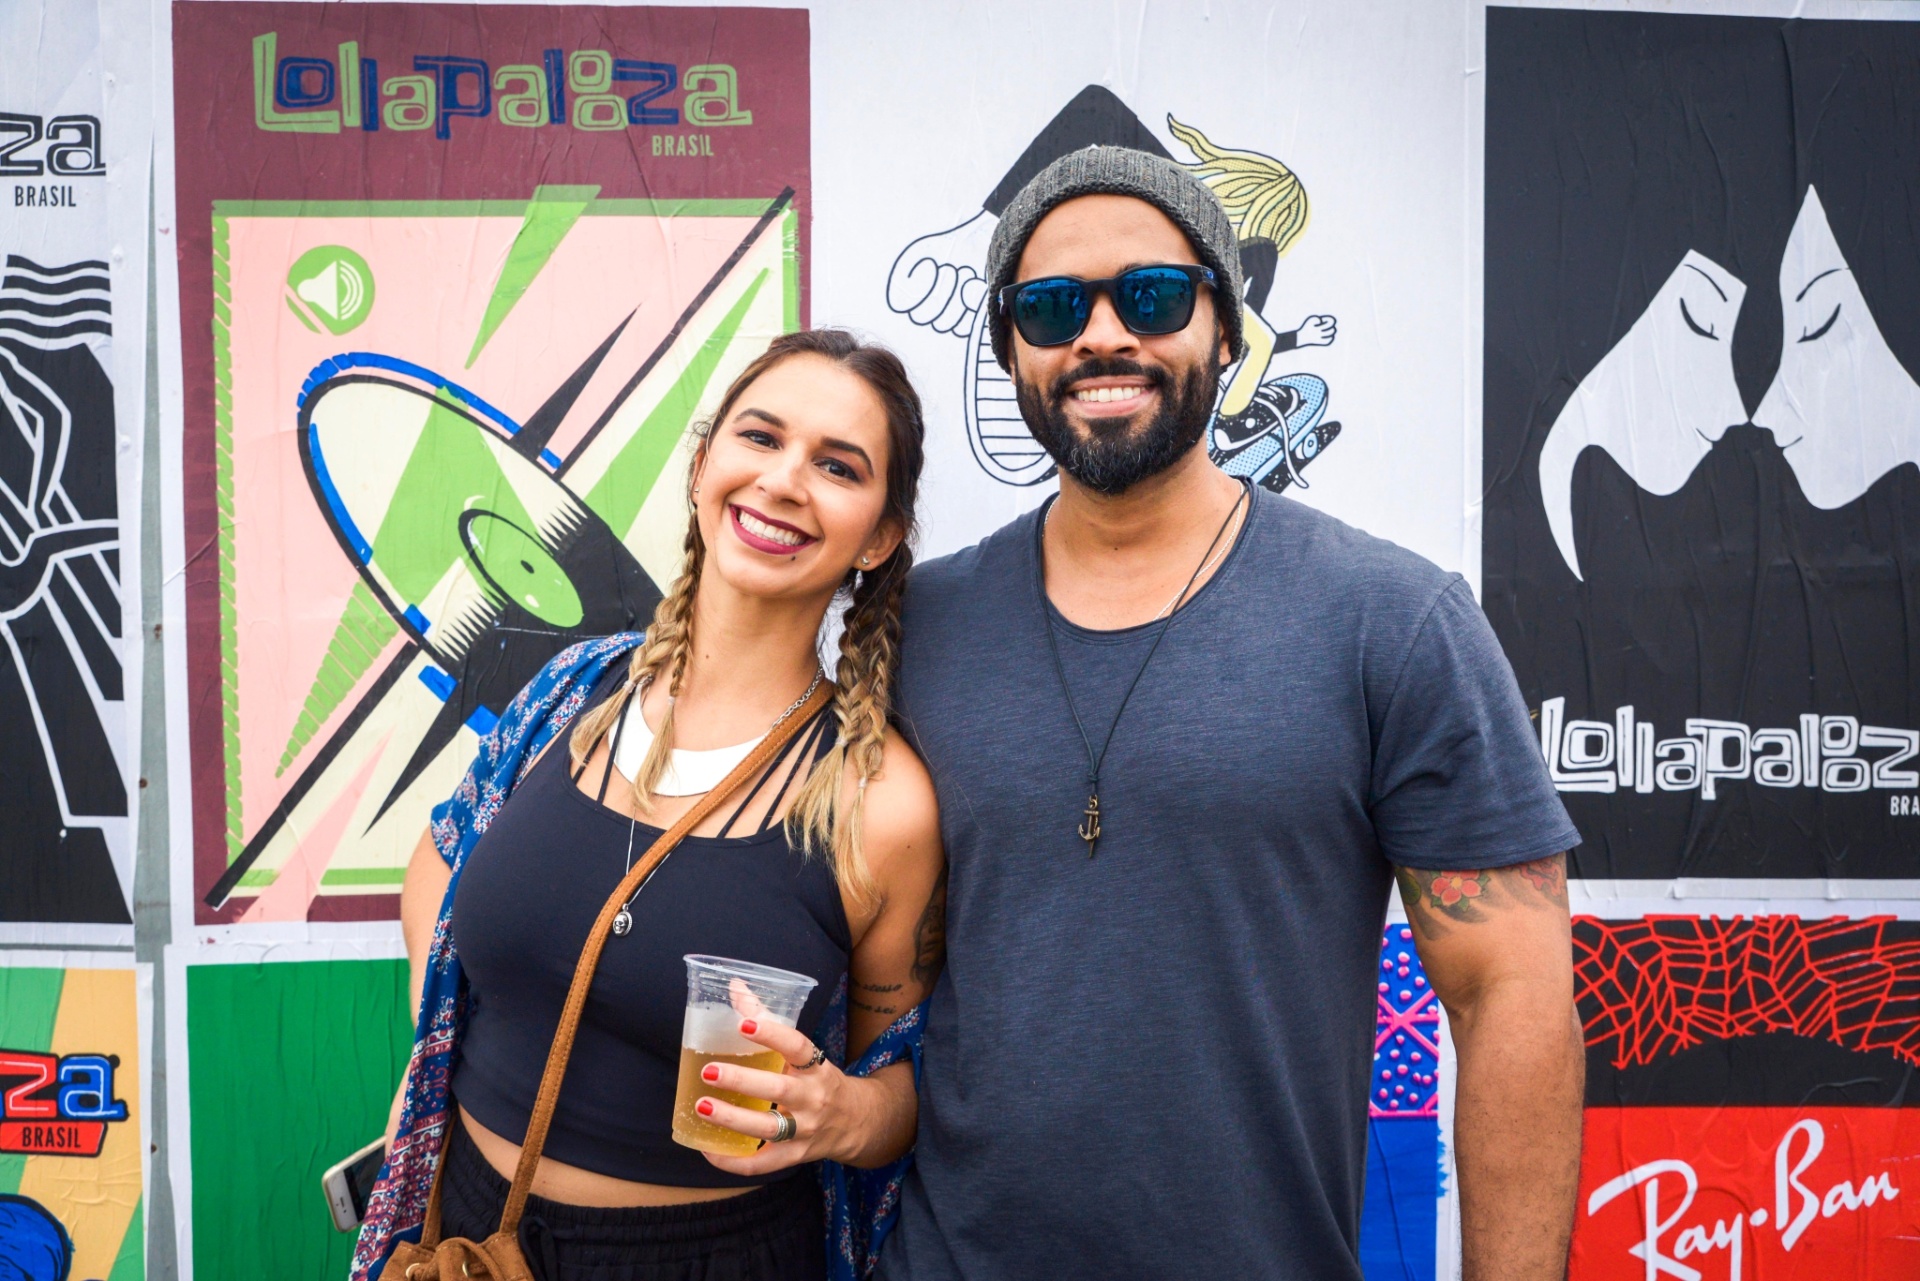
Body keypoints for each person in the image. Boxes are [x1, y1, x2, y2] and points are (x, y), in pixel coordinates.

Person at [881, 147, 1585, 1280]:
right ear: (1013, 346)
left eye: (1152, 295)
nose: (1102, 335)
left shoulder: (1391, 621)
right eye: (1053, 307)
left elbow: (1512, 994)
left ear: (1226, 327)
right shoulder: (922, 626)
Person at [351, 330, 948, 1281]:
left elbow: (902, 1085)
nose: (786, 480)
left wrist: (844, 1113)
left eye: (838, 466)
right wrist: (438, 1047)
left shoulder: (878, 799)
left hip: (707, 1257)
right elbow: (439, 862)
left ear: (877, 535)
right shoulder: (572, 691)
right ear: (705, 462)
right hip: (464, 1224)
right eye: (761, 438)